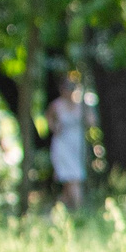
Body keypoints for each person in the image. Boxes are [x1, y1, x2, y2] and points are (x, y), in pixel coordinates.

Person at [47, 78, 88, 211]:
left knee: (70, 182)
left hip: (77, 144)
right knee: (71, 177)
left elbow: (92, 122)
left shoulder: (82, 105)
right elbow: (48, 119)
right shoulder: (56, 105)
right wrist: (54, 127)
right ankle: (79, 209)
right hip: (62, 144)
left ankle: (62, 210)